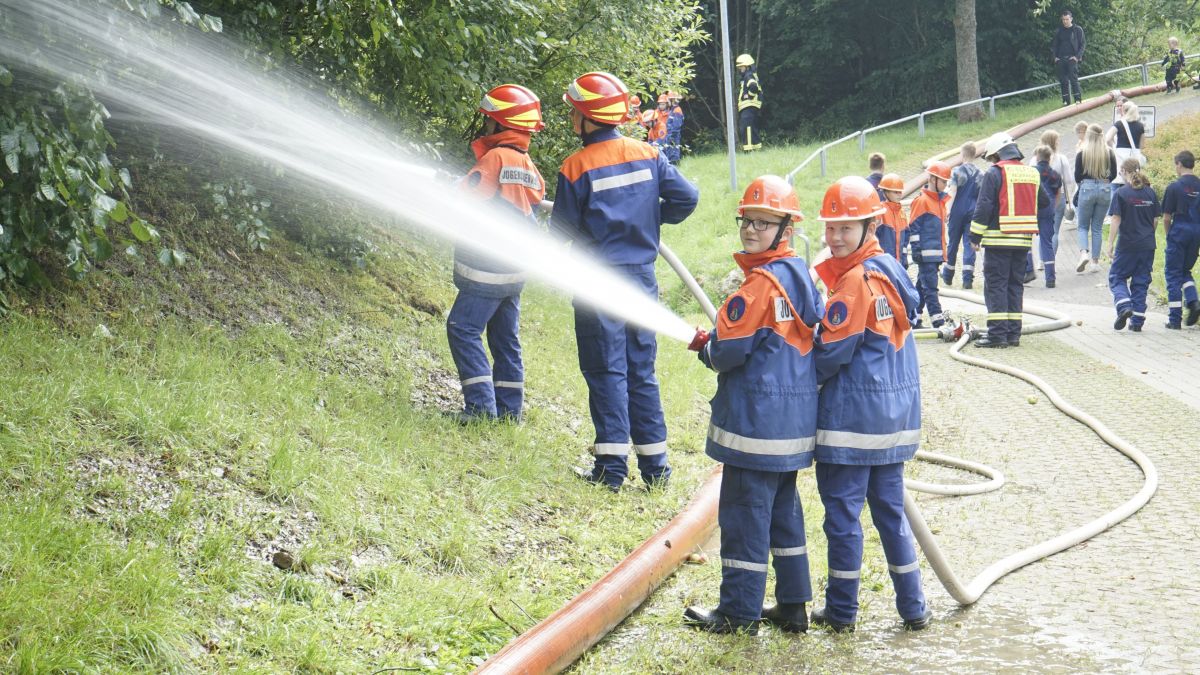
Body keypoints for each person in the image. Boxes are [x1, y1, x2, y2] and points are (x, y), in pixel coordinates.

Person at [682, 175, 823, 635]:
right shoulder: (801, 276)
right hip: (792, 426)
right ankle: (793, 606)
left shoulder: (758, 288)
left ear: (786, 229)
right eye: (747, 220)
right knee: (784, 515)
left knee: (744, 517)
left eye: (763, 223)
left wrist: (706, 347)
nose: (750, 230)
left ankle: (738, 612)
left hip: (754, 427)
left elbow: (726, 353)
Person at [553, 71, 699, 492]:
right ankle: (656, 470)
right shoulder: (647, 153)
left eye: (573, 113)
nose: (570, 120)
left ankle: (612, 469)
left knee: (606, 370)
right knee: (641, 370)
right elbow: (686, 198)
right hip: (641, 279)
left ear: (586, 118)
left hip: (598, 282)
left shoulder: (575, 166)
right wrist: (650, 221)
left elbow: (560, 234)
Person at [809, 176, 931, 633]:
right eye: (831, 228)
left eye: (846, 228)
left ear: (869, 226)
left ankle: (841, 612)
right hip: (894, 420)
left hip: (852, 424)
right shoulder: (890, 268)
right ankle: (914, 607)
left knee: (842, 520)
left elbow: (828, 355)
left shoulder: (855, 284)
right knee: (891, 516)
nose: (836, 237)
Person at [447, 84, 546, 423]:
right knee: (505, 339)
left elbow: (468, 198)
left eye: (489, 120)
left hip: (487, 267)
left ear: (499, 124)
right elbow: (536, 194)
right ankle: (509, 411)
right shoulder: (524, 161)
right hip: (515, 269)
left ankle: (479, 408)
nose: (485, 125)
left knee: (463, 328)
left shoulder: (494, 157)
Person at [970, 133, 1049, 348]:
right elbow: (1044, 201)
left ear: (996, 154)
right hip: (1023, 243)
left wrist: (974, 236)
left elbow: (984, 206)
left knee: (996, 286)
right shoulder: (1031, 173)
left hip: (998, 241)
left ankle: (997, 336)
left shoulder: (994, 174)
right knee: (1015, 286)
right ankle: (1013, 334)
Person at [1103, 158, 1160, 332]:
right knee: (1141, 281)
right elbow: (1155, 220)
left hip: (1127, 245)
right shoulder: (1150, 193)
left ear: (1123, 171)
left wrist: (1110, 243)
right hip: (1147, 245)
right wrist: (1147, 234)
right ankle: (1137, 322)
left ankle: (1124, 305)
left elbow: (1116, 219)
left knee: (1117, 277)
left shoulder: (1121, 193)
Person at [909, 162, 952, 327]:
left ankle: (915, 319)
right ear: (933, 179)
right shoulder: (922, 202)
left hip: (935, 255)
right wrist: (917, 251)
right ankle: (938, 322)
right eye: (943, 181)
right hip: (926, 256)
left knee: (921, 288)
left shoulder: (940, 202)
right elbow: (914, 228)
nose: (946, 185)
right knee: (931, 289)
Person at [1162, 150, 1200, 329]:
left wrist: (1169, 234)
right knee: (1185, 270)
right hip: (1196, 233)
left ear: (1179, 164)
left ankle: (1174, 319)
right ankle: (1193, 301)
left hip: (1179, 233)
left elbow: (1167, 217)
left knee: (1173, 274)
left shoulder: (1174, 187)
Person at [1074, 123, 1117, 273]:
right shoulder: (1109, 152)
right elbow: (1114, 174)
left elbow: (1077, 176)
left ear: (1088, 136)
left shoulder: (1082, 153)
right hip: (1105, 188)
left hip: (1087, 188)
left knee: (1083, 226)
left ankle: (1084, 253)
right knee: (1097, 227)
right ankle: (1095, 262)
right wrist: (1104, 181)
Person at [944, 142, 982, 290]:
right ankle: (967, 279)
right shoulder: (981, 174)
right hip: (973, 212)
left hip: (957, 211)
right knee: (969, 243)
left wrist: (947, 210)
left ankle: (948, 275)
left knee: (953, 243)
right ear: (974, 154)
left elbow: (952, 192)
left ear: (962, 154)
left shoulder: (957, 172)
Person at [1033, 145, 1064, 288]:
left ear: (1038, 157)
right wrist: (1053, 208)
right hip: (1048, 209)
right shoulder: (1055, 175)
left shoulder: (1031, 172)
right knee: (1047, 242)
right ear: (1049, 157)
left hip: (1033, 209)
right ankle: (1050, 278)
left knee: (1025, 240)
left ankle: (1027, 271)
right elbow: (1058, 194)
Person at [1051, 10, 1085, 107]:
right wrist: (1055, 58)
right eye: (1063, 19)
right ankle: (1066, 101)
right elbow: (1055, 46)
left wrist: (1077, 57)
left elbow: (1083, 44)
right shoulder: (1059, 31)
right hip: (1061, 59)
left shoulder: (1077, 29)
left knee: (1073, 79)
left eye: (1067, 19)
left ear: (1071, 19)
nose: (1065, 21)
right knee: (1063, 81)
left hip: (1072, 58)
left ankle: (1078, 99)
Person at [1106, 101, 1145, 183]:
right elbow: (1142, 145)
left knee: (1117, 182)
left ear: (1124, 111)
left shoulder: (1119, 124)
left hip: (1120, 155)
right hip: (1134, 156)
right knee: (1133, 181)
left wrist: (1114, 147)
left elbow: (1108, 138)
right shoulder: (1141, 126)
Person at [876, 173, 909, 266]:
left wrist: (904, 257)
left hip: (898, 264)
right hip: (884, 264)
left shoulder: (901, 213)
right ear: (885, 192)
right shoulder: (880, 211)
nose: (899, 195)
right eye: (895, 192)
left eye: (900, 192)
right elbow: (872, 238)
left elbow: (906, 239)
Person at [736, 54, 763, 151]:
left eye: (741, 67)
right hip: (751, 107)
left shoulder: (749, 75)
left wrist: (749, 96)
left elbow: (753, 87)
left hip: (749, 106)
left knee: (746, 128)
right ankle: (757, 149)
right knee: (752, 129)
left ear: (747, 66)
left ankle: (748, 150)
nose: (740, 69)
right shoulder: (750, 75)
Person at [662, 92, 684, 164]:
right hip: (670, 135)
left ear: (672, 100)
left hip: (673, 136)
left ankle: (676, 167)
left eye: (668, 100)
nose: (667, 102)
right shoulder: (672, 110)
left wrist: (672, 137)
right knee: (669, 154)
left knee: (674, 154)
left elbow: (676, 126)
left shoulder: (677, 110)